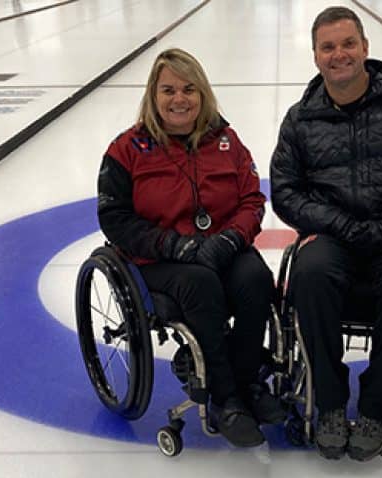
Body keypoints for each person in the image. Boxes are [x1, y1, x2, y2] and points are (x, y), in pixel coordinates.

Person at [270, 7, 382, 461]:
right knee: (309, 272)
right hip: (336, 235)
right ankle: (330, 403)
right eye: (328, 47)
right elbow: (286, 193)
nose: (340, 55)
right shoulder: (300, 119)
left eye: (348, 44)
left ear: (366, 48)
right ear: (315, 56)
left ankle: (374, 405)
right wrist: (340, 225)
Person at [97, 48, 284, 448]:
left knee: (254, 279)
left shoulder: (226, 142)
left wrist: (231, 239)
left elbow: (252, 199)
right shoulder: (127, 149)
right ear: (153, 94)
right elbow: (115, 219)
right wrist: (174, 244)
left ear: (203, 94)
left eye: (188, 89)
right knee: (200, 285)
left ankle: (248, 380)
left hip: (219, 247)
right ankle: (225, 396)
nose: (178, 99)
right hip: (158, 260)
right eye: (168, 90)